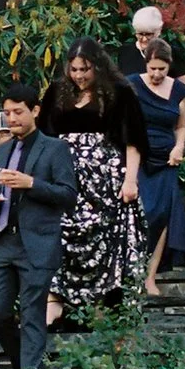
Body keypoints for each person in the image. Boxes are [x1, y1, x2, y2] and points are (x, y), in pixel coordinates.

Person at [39, 38, 145, 326]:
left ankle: (99, 310)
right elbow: (43, 135)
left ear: (97, 66)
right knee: (59, 235)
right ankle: (54, 304)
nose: (79, 76)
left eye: (85, 69)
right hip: (64, 177)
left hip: (105, 180)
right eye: (74, 69)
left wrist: (130, 180)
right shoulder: (58, 92)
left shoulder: (119, 93)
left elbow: (132, 140)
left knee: (104, 238)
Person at [0, 84, 78, 369]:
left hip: (37, 242)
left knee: (33, 313)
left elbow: (68, 195)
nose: (12, 118)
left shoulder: (55, 148)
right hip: (3, 241)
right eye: (7, 113)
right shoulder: (3, 150)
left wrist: (31, 183)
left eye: (18, 111)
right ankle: (26, 368)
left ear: (35, 110)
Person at [125, 43, 185, 294]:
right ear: (146, 65)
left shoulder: (178, 89)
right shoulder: (131, 84)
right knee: (141, 213)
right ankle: (133, 272)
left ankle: (150, 276)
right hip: (138, 156)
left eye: (162, 69)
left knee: (162, 215)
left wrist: (179, 147)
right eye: (152, 68)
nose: (156, 74)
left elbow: (180, 125)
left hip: (166, 159)